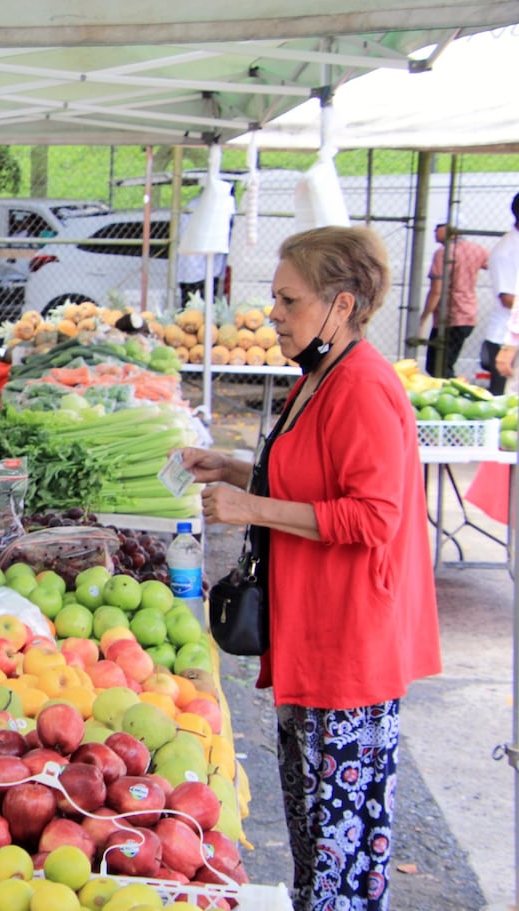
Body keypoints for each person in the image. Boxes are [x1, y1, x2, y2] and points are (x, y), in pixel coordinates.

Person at [178, 226, 440, 911]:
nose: (274, 315)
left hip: (349, 645)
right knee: (315, 840)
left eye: (289, 301)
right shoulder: (319, 378)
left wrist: (251, 506)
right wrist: (232, 469)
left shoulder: (363, 387)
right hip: (312, 635)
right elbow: (309, 479)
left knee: (338, 855)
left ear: (341, 305)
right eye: (275, 299)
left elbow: (373, 517)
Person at [419, 221, 489, 378]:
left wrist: (423, 318)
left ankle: (455, 389)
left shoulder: (443, 253)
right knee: (444, 364)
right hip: (468, 315)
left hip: (449, 317)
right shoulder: (477, 250)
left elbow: (436, 291)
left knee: (437, 366)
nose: (435, 231)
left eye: (439, 227)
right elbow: (492, 265)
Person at [487, 192, 519, 393]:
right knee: (506, 401)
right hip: (506, 339)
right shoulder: (506, 251)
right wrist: (509, 347)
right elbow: (508, 299)